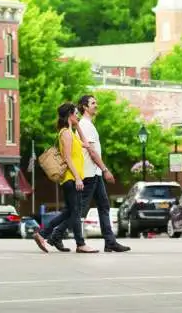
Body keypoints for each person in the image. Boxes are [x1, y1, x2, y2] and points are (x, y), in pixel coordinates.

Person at [51, 95, 131, 253]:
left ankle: (110, 242)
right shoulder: (85, 125)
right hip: (89, 174)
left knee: (103, 206)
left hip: (95, 172)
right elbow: (92, 152)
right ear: (84, 107)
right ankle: (56, 234)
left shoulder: (86, 125)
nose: (96, 105)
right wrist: (105, 169)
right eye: (93, 103)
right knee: (77, 209)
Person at [33, 102, 99, 254]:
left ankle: (42, 234)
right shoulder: (66, 133)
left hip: (72, 178)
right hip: (70, 179)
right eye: (76, 113)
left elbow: (86, 144)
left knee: (69, 212)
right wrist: (77, 178)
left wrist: (78, 126)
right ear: (70, 114)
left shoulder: (70, 132)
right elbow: (68, 158)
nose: (78, 116)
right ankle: (81, 244)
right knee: (75, 212)